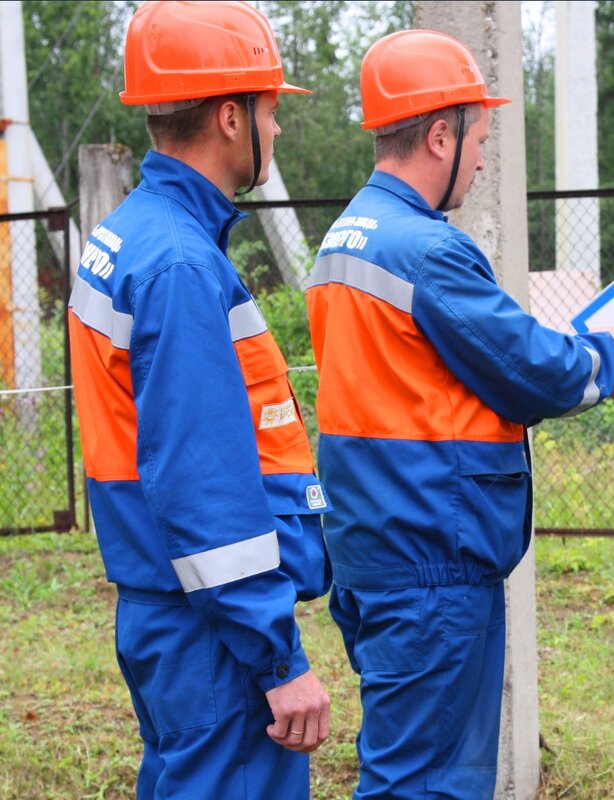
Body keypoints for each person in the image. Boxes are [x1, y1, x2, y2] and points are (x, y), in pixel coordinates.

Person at [306, 29, 614, 800]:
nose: (484, 160)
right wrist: (609, 355)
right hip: (432, 561)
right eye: (480, 137)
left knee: (415, 771)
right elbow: (530, 371)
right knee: (427, 786)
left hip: (379, 547)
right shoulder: (424, 250)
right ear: (439, 133)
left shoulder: (343, 239)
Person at [67, 2, 332, 797]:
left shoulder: (131, 234)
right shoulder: (180, 265)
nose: (277, 130)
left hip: (173, 615)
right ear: (228, 116)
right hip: (214, 634)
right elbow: (201, 482)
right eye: (271, 110)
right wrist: (277, 658)